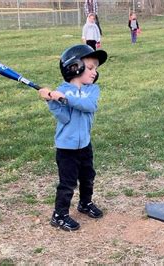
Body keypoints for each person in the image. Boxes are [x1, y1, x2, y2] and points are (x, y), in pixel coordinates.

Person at [38, 44, 108, 231]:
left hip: (84, 144)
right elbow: (65, 117)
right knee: (67, 183)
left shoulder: (92, 90)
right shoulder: (61, 90)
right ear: (74, 67)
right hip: (66, 148)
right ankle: (59, 215)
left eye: (96, 69)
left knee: (88, 178)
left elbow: (89, 106)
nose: (94, 73)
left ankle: (85, 203)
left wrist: (66, 99)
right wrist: (50, 100)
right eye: (91, 68)